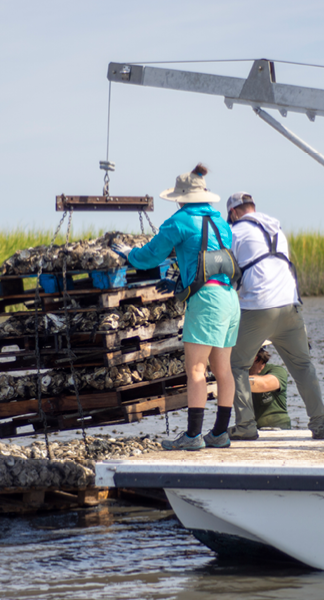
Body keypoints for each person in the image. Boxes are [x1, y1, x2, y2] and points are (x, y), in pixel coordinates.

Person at [112, 164, 240, 451]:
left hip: (206, 301)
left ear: (180, 198)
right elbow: (209, 258)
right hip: (230, 298)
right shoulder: (220, 221)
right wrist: (180, 282)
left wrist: (129, 255)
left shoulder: (179, 221)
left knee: (195, 368)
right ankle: (219, 433)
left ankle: (193, 437)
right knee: (223, 369)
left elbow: (150, 256)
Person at [226, 192, 324, 440]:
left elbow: (228, 271)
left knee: (236, 365)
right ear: (252, 207)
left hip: (259, 307)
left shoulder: (236, 233)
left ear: (233, 213)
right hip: (290, 306)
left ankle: (246, 427)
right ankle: (320, 425)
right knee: (303, 366)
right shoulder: (276, 230)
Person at [248, 345, 291, 430]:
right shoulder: (239, 374)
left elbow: (264, 384)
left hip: (278, 427)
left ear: (255, 358)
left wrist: (230, 380)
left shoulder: (277, 370)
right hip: (251, 428)